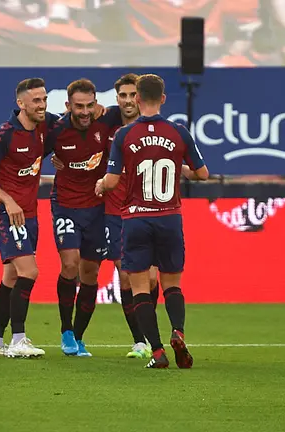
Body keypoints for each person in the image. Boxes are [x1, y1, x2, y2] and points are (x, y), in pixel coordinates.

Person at [95, 73, 209, 369]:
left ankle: (157, 352)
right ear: (162, 98)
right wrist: (180, 169)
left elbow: (112, 179)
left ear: (137, 98)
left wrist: (101, 185)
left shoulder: (124, 135)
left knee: (139, 288)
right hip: (169, 217)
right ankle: (178, 332)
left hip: (135, 219)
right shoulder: (179, 132)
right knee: (172, 284)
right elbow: (203, 174)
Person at [0, 77, 57, 359]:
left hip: (30, 213)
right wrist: (6, 199)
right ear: (20, 103)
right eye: (36, 100)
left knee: (10, 277)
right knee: (29, 271)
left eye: (45, 99)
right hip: (5, 214)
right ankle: (19, 340)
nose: (42, 105)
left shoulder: (47, 127)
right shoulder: (3, 135)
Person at [45, 78, 124, 356]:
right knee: (70, 264)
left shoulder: (108, 119)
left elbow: (132, 108)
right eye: (79, 106)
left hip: (98, 208)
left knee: (90, 274)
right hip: (65, 204)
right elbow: (29, 155)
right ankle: (66, 330)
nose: (85, 111)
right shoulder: (55, 129)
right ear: (68, 106)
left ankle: (79, 337)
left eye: (90, 105)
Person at [102, 73, 161, 360]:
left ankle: (153, 335)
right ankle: (140, 341)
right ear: (117, 99)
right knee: (125, 277)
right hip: (115, 214)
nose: (127, 101)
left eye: (131, 95)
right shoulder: (106, 125)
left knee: (150, 279)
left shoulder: (156, 130)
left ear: (140, 98)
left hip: (148, 212)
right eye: (121, 96)